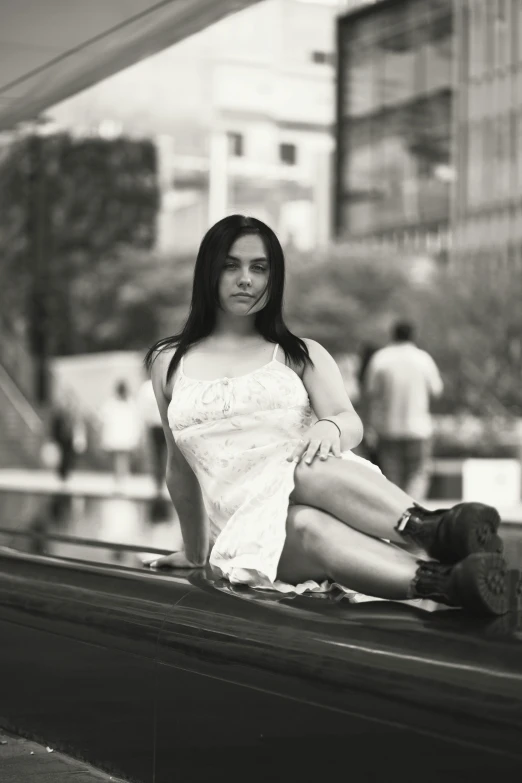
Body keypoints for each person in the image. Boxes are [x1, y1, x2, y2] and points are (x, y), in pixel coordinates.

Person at [143, 215, 518, 615]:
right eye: (230, 265)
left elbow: (348, 419)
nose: (245, 279)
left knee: (304, 479)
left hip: (318, 486)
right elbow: (178, 468)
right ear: (208, 272)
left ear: (274, 278)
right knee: (304, 521)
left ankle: (439, 547)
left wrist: (330, 424)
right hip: (246, 531)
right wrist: (197, 553)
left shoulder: (300, 353)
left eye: (259, 268)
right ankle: (447, 572)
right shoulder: (169, 362)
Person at [365, 321, 443, 500]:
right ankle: (412, 510)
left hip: (387, 428)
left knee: (392, 476)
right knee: (418, 473)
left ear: (393, 334)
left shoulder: (381, 358)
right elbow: (437, 390)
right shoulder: (423, 359)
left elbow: (371, 393)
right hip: (418, 428)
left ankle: (396, 512)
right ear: (413, 335)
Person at [99, 380, 141, 485]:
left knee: (121, 456)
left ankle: (121, 477)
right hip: (120, 435)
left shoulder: (117, 403)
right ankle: (120, 477)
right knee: (121, 456)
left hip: (121, 435)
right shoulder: (125, 403)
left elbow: (103, 417)